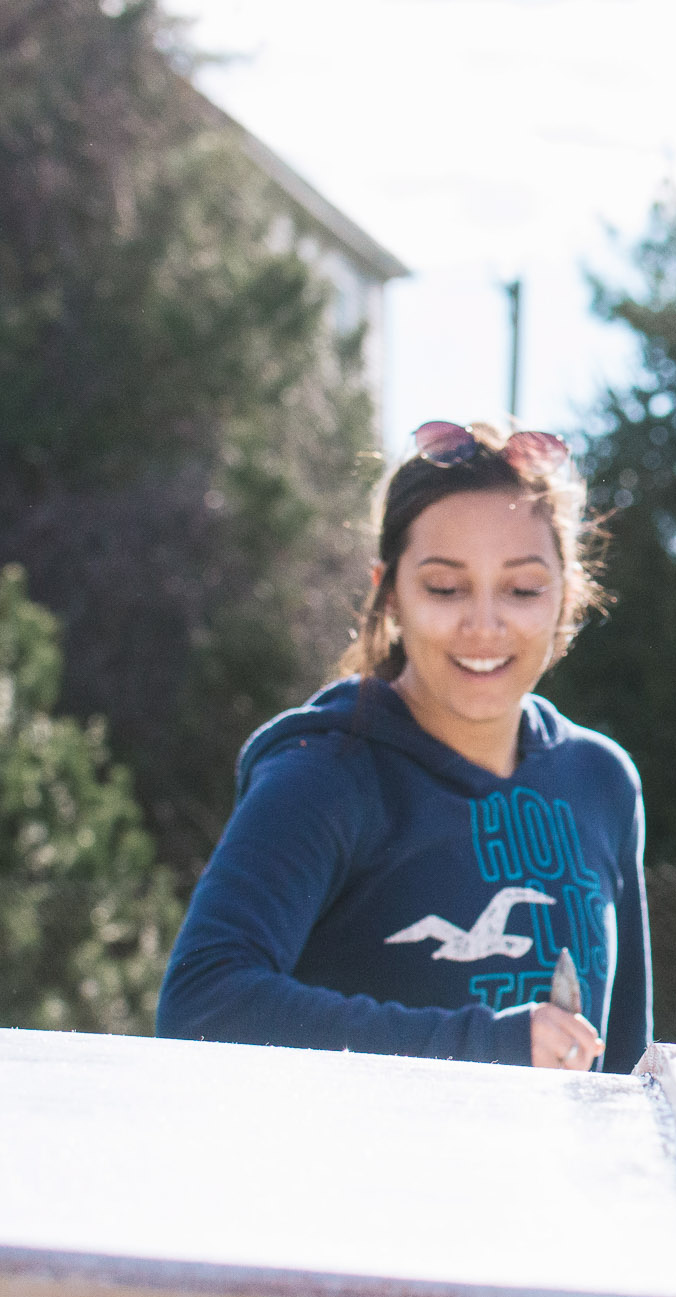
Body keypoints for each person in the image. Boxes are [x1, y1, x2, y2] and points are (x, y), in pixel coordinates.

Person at [159, 420, 650, 1075]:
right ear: (390, 593)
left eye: (523, 588)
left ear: (568, 591)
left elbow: (625, 1065)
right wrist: (487, 1047)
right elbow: (200, 1008)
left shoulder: (601, 780)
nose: (484, 624)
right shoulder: (326, 772)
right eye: (445, 588)